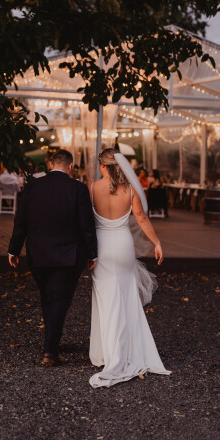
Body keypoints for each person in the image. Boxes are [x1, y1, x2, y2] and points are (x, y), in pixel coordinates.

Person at [89, 148, 171, 388]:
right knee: (125, 297)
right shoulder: (130, 189)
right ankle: (127, 350)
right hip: (123, 245)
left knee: (106, 298)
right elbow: (142, 218)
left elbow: (85, 221)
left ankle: (109, 354)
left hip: (102, 247)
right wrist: (157, 242)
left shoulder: (92, 188)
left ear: (103, 166)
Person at [7, 149, 97, 366]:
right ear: (71, 167)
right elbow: (86, 226)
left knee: (47, 297)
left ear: (50, 165)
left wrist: (13, 250)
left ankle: (51, 342)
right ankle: (50, 351)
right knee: (59, 300)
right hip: (68, 255)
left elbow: (20, 222)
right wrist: (92, 253)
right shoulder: (78, 189)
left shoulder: (32, 187)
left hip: (38, 254)